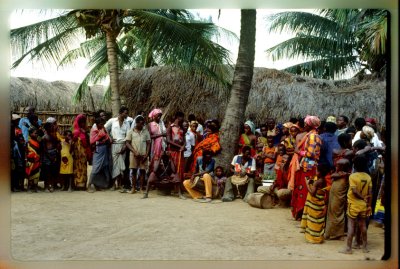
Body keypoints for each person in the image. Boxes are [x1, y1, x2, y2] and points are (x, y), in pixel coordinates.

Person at [291, 115, 322, 220]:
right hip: (306, 165)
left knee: (304, 189)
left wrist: (299, 152)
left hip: (309, 167)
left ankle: (302, 213)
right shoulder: (310, 135)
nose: (304, 125)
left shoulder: (313, 136)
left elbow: (311, 154)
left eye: (306, 123)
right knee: (302, 189)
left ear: (310, 125)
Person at [339, 155, 372, 254]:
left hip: (353, 204)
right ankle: (364, 247)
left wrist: (362, 197)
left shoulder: (352, 176)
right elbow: (370, 192)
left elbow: (353, 191)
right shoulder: (368, 177)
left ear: (355, 166)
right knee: (363, 226)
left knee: (351, 226)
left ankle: (348, 248)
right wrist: (368, 204)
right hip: (363, 205)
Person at [300, 164, 330, 244]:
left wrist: (307, 184)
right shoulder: (323, 180)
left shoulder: (317, 182)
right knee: (318, 220)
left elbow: (312, 193)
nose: (315, 171)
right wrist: (312, 182)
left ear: (319, 172)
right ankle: (318, 237)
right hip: (319, 204)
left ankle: (313, 238)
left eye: (317, 170)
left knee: (312, 220)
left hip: (314, 205)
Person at [104, 107, 130, 190]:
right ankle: (113, 184)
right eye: (125, 113)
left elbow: (128, 136)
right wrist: (109, 137)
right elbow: (104, 128)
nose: (126, 115)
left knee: (121, 165)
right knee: (115, 165)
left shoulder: (127, 123)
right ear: (120, 113)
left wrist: (125, 147)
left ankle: (119, 184)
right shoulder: (112, 121)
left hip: (123, 145)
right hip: (114, 144)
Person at [125, 115, 151, 194]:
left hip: (143, 155)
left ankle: (141, 188)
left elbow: (148, 143)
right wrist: (134, 151)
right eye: (140, 123)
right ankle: (133, 188)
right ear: (136, 123)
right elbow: (127, 143)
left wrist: (146, 154)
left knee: (143, 171)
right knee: (134, 170)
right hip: (134, 154)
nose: (142, 125)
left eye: (143, 124)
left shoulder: (145, 131)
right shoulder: (131, 131)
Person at [87, 117, 112, 192]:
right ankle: (89, 185)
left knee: (103, 167)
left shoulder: (102, 129)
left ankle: (98, 185)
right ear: (97, 124)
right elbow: (92, 141)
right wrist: (102, 136)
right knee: (95, 168)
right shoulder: (94, 131)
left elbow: (107, 137)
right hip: (98, 150)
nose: (102, 125)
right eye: (101, 124)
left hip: (104, 150)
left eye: (103, 123)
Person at [166, 111, 186, 199]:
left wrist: (183, 146)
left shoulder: (182, 128)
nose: (183, 120)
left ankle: (178, 190)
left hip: (180, 152)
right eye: (182, 118)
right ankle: (177, 191)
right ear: (178, 117)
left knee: (180, 170)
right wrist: (180, 146)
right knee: (174, 170)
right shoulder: (170, 127)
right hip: (173, 152)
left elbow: (184, 140)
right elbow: (168, 140)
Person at [41, 122, 61, 192]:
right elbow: (44, 149)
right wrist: (49, 157)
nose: (52, 128)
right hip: (47, 155)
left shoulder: (53, 136)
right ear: (47, 128)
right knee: (47, 172)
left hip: (53, 153)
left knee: (52, 171)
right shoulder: (44, 137)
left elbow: (56, 145)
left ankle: (51, 185)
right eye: (51, 127)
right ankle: (46, 186)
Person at [72, 114, 91, 190]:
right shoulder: (76, 131)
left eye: (84, 122)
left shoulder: (85, 131)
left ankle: (83, 185)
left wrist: (85, 133)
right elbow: (73, 141)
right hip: (77, 154)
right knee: (77, 168)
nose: (83, 124)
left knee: (83, 167)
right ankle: (77, 184)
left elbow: (87, 142)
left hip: (83, 153)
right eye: (81, 122)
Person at [148, 108, 167, 174]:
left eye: (160, 116)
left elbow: (166, 134)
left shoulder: (162, 124)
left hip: (162, 144)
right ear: (154, 116)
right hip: (155, 144)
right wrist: (160, 135)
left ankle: (160, 175)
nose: (159, 117)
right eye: (158, 115)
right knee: (155, 158)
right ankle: (153, 174)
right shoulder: (150, 124)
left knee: (162, 159)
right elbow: (149, 136)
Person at [25, 127, 41, 193]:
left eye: (37, 133)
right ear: (30, 134)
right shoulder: (28, 142)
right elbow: (26, 152)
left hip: (37, 161)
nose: (36, 135)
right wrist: (26, 160)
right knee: (30, 175)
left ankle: (35, 187)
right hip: (30, 161)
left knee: (37, 175)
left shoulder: (38, 142)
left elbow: (40, 152)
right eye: (35, 133)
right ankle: (29, 187)